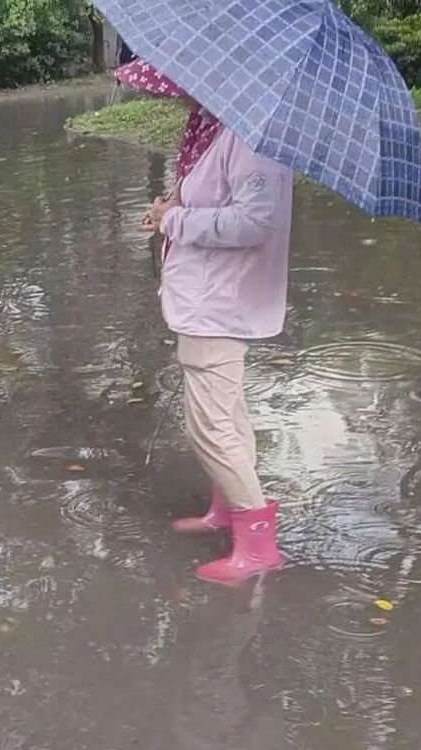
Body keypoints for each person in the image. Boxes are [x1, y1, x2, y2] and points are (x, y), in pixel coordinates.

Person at [120, 60, 292, 584]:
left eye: (185, 88)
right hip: (205, 295)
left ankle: (258, 545)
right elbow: (212, 197)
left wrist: (176, 219)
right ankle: (227, 508)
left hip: (220, 302)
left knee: (209, 428)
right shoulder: (213, 126)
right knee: (229, 414)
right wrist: (172, 207)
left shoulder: (251, 138)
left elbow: (255, 221)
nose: (178, 99)